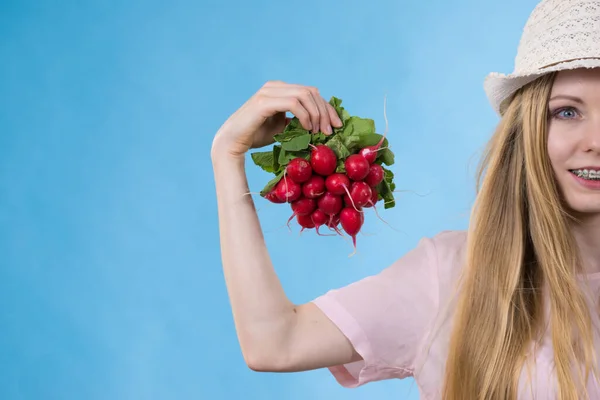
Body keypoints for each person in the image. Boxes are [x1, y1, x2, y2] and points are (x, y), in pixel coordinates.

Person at [210, 0, 600, 398]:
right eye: (567, 112)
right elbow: (275, 341)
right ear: (529, 128)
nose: (597, 142)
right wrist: (227, 155)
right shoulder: (450, 277)